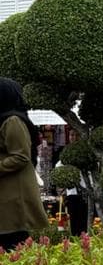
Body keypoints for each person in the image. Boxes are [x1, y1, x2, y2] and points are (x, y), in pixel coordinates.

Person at [0, 78, 50, 250]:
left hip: (14, 195)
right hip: (7, 192)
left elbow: (21, 156)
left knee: (13, 243)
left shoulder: (12, 121)